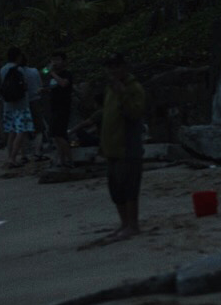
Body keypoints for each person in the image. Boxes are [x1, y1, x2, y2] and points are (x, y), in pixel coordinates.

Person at [77, 53, 146, 243]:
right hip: (111, 148)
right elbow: (107, 113)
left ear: (125, 67)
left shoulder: (134, 88)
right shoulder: (110, 89)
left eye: (117, 66)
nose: (113, 71)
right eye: (110, 67)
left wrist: (123, 92)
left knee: (129, 187)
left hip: (128, 147)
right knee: (116, 189)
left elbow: (135, 112)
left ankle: (133, 225)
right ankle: (124, 224)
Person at [0, 48, 34, 167]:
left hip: (8, 104)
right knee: (21, 131)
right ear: (18, 56)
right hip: (21, 104)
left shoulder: (3, 69)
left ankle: (10, 157)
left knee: (11, 132)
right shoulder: (19, 70)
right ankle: (13, 158)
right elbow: (24, 86)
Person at [45, 52, 77, 169]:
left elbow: (64, 84)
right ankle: (61, 160)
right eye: (53, 60)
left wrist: (52, 73)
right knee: (56, 135)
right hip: (54, 107)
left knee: (59, 134)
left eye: (57, 60)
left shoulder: (66, 74)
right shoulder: (52, 75)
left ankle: (70, 160)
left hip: (63, 107)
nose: (55, 62)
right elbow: (52, 88)